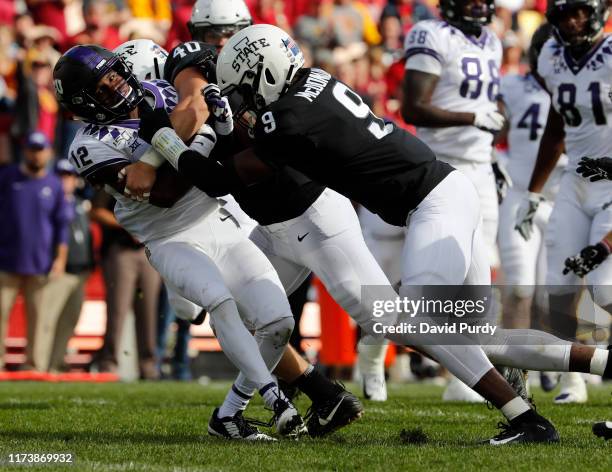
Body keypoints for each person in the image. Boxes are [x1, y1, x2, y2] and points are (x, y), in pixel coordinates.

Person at [138, 24, 612, 444]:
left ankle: (524, 418)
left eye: (245, 89)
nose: (244, 100)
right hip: (446, 195)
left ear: (263, 74)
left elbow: (222, 178)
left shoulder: (286, 118)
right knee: (472, 335)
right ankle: (599, 363)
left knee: (416, 321)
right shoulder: (312, 87)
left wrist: (164, 138)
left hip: (434, 203)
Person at [53, 43, 304, 439]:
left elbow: (204, 129)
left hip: (217, 220)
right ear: (85, 103)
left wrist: (193, 139)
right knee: (219, 300)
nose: (117, 86)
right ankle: (278, 401)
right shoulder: (87, 144)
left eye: (116, 74)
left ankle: (229, 414)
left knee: (278, 323)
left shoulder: (158, 91)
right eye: (103, 88)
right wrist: (202, 139)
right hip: (169, 237)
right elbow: (166, 193)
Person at [399, 0, 509, 402]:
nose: (478, 3)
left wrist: (492, 152)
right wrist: (472, 120)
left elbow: (491, 104)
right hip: (441, 167)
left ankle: (469, 376)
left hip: (480, 167)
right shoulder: (431, 34)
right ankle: (378, 360)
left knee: (481, 279)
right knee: (442, 277)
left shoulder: (492, 42)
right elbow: (414, 107)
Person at [515, 0, 612, 404]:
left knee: (605, 291)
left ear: (597, 13)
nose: (572, 22)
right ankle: (574, 379)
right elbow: (557, 124)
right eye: (564, 15)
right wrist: (534, 191)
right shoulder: (552, 56)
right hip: (576, 179)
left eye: (580, 13)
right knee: (559, 285)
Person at [0, 131, 71, 370]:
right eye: (32, 149)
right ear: (25, 151)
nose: (36, 154)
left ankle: (34, 365)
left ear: (49, 152)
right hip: (6, 261)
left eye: (40, 149)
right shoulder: (7, 177)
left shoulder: (54, 185)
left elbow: (62, 225)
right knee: (0, 315)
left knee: (39, 319)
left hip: (40, 263)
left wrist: (60, 260)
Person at [46, 159, 95, 373]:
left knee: (69, 320)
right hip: (58, 271)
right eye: (62, 175)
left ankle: (57, 360)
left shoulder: (80, 204)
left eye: (69, 176)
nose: (66, 180)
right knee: (49, 320)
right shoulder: (48, 202)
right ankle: (43, 362)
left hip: (79, 271)